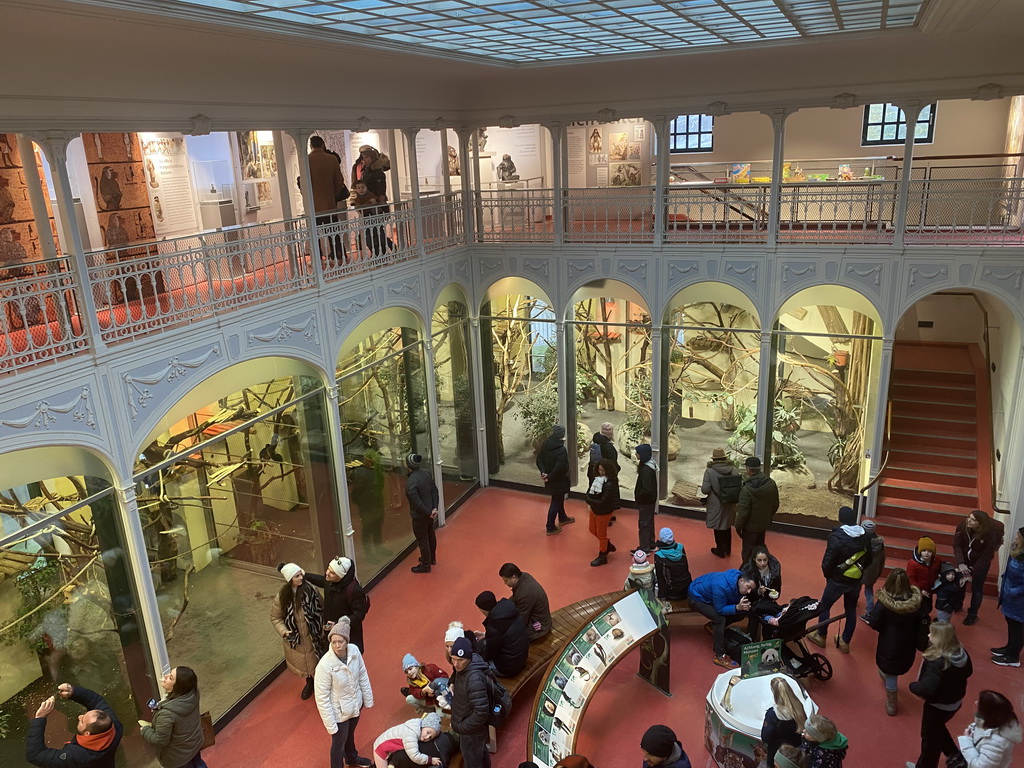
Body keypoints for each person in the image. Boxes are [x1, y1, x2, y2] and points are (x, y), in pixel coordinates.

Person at [906, 621, 973, 768]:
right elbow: (969, 671)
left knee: (930, 741)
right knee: (938, 729)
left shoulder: (938, 662)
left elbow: (926, 689)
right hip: (954, 701)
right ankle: (955, 755)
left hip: (938, 706)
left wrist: (913, 686)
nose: (929, 635)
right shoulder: (960, 652)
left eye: (932, 633)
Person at [808, 506, 872, 654]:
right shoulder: (866, 536)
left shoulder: (837, 537)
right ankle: (845, 641)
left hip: (837, 580)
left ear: (840, 519)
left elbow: (828, 562)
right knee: (850, 609)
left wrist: (829, 576)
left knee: (824, 606)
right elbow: (869, 559)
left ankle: (821, 635)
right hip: (855, 581)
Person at [866, 567, 927, 716]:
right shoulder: (916, 602)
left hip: (889, 644)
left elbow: (873, 622)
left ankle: (892, 703)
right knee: (896, 668)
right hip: (908, 643)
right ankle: (890, 692)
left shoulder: (884, 603)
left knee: (891, 673)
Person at [314, 617, 374, 768]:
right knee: (337, 745)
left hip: (354, 705)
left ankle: (352, 758)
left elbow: (362, 674)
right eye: (333, 642)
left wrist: (367, 699)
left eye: (340, 641)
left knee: (350, 734)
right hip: (338, 712)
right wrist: (331, 724)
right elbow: (322, 697)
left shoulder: (354, 651)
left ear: (347, 641)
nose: (337, 645)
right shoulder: (325, 665)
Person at [26, 683, 122, 768]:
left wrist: (40, 718)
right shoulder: (113, 726)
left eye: (82, 721)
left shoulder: (78, 756)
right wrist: (73, 691)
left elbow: (35, 755)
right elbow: (97, 701)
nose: (79, 716)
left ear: (87, 733)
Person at [271, 562, 326, 699]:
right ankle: (310, 683)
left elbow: (322, 607)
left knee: (319, 663)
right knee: (306, 666)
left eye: (300, 574)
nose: (301, 577)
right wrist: (285, 632)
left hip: (314, 636)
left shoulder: (311, 590)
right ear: (290, 579)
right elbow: (275, 618)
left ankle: (322, 686)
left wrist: (321, 626)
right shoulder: (282, 597)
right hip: (297, 640)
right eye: (297, 576)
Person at [687, 567, 756, 668]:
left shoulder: (738, 581)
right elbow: (720, 609)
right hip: (696, 598)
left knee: (741, 612)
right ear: (741, 581)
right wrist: (737, 607)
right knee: (720, 619)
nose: (749, 591)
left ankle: (712, 626)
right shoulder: (721, 586)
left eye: (751, 589)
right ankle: (720, 656)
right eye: (748, 587)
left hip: (712, 596)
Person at [140, 666, 206, 768]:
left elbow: (160, 740)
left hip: (178, 758)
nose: (165, 676)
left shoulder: (166, 714)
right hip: (194, 745)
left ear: (178, 686)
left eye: (170, 677)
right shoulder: (193, 694)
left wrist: (145, 730)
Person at [304, 556, 370, 654]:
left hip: (348, 636)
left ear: (341, 576)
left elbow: (359, 614)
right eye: (328, 569)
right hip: (330, 632)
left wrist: (339, 623)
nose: (327, 573)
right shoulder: (329, 581)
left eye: (332, 572)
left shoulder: (354, 590)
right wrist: (304, 575)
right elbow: (321, 580)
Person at [953, 510, 1005, 625]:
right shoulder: (963, 526)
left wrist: (973, 569)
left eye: (973, 520)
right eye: (969, 517)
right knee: (960, 583)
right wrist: (961, 563)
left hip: (980, 563)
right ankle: (957, 604)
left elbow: (987, 555)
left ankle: (973, 614)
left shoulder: (990, 533)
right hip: (964, 561)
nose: (968, 521)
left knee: (977, 589)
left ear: (980, 524)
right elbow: (957, 545)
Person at [448, 636, 491, 768]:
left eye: (460, 660)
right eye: (453, 659)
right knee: (480, 754)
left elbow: (481, 712)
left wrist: (462, 727)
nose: (456, 664)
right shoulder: (464, 668)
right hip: (470, 730)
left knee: (473, 762)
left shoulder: (474, 680)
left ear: (468, 658)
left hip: (472, 733)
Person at [305, 135, 347, 262]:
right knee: (333, 232)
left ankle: (317, 258)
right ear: (323, 144)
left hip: (313, 205)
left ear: (311, 146)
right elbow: (339, 181)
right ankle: (338, 254)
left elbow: (303, 183)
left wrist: (309, 196)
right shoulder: (332, 159)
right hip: (329, 204)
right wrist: (331, 194)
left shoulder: (306, 160)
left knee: (315, 233)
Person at [957, 690, 1021, 768]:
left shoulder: (996, 743)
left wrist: (966, 742)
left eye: (980, 704)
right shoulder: (995, 722)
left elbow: (981, 766)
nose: (976, 703)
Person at [735, 456, 780, 562]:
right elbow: (775, 504)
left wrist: (738, 526)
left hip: (750, 527)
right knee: (761, 548)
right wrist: (768, 516)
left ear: (748, 469)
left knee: (748, 552)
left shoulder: (746, 489)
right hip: (763, 523)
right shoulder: (771, 484)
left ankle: (748, 573)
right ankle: (761, 569)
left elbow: (743, 512)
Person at [474, 589, 529, 676]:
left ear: (483, 610)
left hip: (510, 667)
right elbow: (505, 635)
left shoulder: (494, 626)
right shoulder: (509, 610)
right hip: (522, 656)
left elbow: (489, 654)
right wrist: (486, 635)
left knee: (476, 663)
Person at [992, 527, 1024, 666]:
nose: (1016, 538)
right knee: (1011, 624)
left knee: (1018, 629)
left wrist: (1013, 591)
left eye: (1019, 536)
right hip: (1011, 596)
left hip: (1020, 600)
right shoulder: (1017, 551)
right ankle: (1009, 648)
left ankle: (1013, 657)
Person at [536, 425, 575, 535]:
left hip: (549, 478)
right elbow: (560, 467)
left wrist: (544, 473)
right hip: (559, 480)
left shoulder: (546, 443)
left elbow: (539, 458)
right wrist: (550, 476)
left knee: (559, 497)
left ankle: (562, 517)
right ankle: (550, 526)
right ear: (562, 435)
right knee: (556, 501)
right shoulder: (561, 450)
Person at [702, 448, 740, 558]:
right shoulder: (733, 469)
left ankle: (720, 550)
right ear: (724, 458)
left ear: (714, 459)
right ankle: (728, 549)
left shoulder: (710, 471)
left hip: (716, 502)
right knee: (727, 525)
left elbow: (705, 489)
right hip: (729, 501)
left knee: (717, 526)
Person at [761, 676, 807, 768]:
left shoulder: (772, 714)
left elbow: (765, 737)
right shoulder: (798, 707)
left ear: (774, 693)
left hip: (777, 751)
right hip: (795, 748)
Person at [499, 562, 552, 640]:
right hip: (538, 617)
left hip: (539, 626)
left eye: (506, 581)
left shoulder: (524, 593)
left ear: (513, 577)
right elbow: (515, 598)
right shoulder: (524, 576)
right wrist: (503, 605)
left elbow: (522, 620)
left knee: (509, 638)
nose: (504, 583)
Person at [405, 453, 438, 574]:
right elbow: (434, 490)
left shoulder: (410, 482)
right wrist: (434, 508)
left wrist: (428, 512)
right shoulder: (426, 473)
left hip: (420, 516)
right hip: (430, 512)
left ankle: (425, 565)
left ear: (408, 465)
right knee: (430, 535)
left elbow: (416, 503)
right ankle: (432, 558)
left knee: (422, 539)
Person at [741, 545, 783, 638]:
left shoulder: (775, 568)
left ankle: (766, 639)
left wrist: (774, 595)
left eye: (765, 560)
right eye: (759, 560)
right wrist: (758, 592)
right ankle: (752, 638)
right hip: (752, 601)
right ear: (754, 559)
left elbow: (777, 588)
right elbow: (744, 594)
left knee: (766, 614)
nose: (763, 563)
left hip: (767, 600)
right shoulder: (747, 570)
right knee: (755, 613)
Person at [371, 712, 442, 768]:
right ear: (423, 725)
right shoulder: (411, 735)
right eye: (428, 732)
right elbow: (414, 756)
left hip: (384, 743)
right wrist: (430, 760)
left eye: (430, 737)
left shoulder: (416, 725)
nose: (427, 737)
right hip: (380, 750)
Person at [586, 458, 620, 566]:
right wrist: (591, 500)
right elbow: (589, 493)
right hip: (595, 509)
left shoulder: (610, 484)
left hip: (604, 512)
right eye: (599, 470)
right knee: (592, 529)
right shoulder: (597, 480)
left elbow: (603, 501)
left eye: (603, 471)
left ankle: (603, 555)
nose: (601, 472)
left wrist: (589, 500)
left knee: (601, 534)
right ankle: (607, 545)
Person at [653, 528, 692, 601]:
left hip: (672, 593)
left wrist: (661, 596)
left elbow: (660, 577)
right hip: (687, 589)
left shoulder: (659, 555)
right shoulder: (681, 547)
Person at [859, 518, 886, 621]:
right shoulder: (880, 544)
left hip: (861, 569)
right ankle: (870, 611)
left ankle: (854, 605)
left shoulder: (862, 542)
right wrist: (879, 572)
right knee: (869, 590)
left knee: (856, 587)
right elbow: (882, 559)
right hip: (873, 572)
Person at [634, 443, 658, 553]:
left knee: (644, 524)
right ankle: (651, 544)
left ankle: (644, 548)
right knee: (649, 522)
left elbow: (647, 489)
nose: (636, 455)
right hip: (650, 501)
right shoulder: (650, 466)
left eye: (637, 453)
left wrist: (639, 496)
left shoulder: (646, 470)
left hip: (646, 502)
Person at [907, 536, 940, 612]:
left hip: (929, 590)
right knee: (917, 609)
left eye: (929, 551)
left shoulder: (936, 561)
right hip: (917, 592)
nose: (926, 553)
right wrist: (919, 590)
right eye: (924, 550)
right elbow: (910, 578)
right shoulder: (913, 563)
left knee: (928, 608)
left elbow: (939, 570)